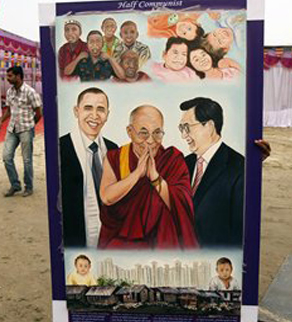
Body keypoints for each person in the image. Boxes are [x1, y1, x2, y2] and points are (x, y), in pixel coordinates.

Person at [98, 105, 198, 249]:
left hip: (161, 243)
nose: (151, 141)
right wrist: (137, 174)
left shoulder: (173, 159)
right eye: (143, 133)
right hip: (121, 241)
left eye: (157, 133)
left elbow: (182, 205)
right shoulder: (116, 157)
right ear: (130, 132)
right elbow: (106, 197)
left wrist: (155, 177)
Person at [179, 97, 244, 247]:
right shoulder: (184, 163)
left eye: (187, 127)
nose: (183, 135)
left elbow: (240, 232)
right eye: (181, 128)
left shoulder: (238, 167)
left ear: (209, 126)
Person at [60, 88, 118, 248]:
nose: (94, 115)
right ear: (76, 111)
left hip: (110, 240)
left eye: (100, 109)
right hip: (75, 240)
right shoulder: (61, 149)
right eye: (88, 108)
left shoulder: (114, 150)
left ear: (107, 115)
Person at [0, 66, 42, 197]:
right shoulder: (10, 92)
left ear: (18, 76)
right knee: (6, 157)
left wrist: (31, 125)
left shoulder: (30, 92)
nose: (7, 78)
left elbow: (38, 112)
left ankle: (29, 187)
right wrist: (0, 122)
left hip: (26, 129)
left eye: (10, 76)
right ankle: (15, 185)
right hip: (12, 129)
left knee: (27, 160)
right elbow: (9, 110)